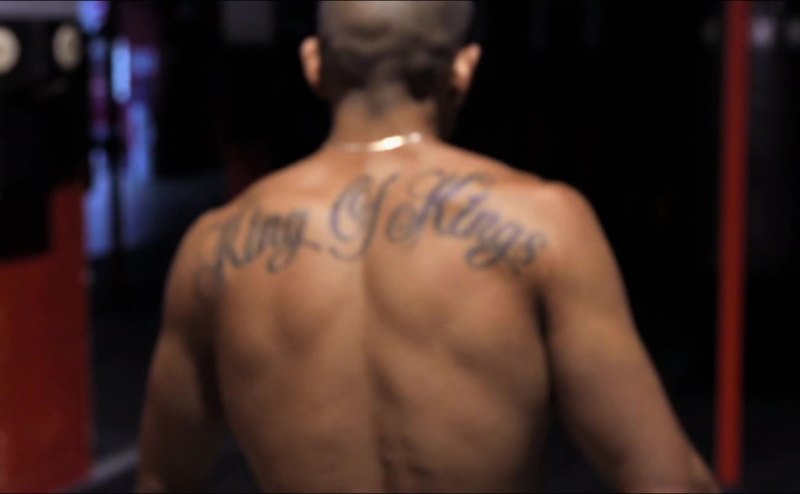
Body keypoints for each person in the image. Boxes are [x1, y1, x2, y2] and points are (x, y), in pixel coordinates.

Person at [137, 2, 720, 492]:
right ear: (464, 69)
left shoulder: (216, 246)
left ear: (313, 64)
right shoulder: (548, 225)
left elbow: (163, 480)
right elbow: (663, 479)